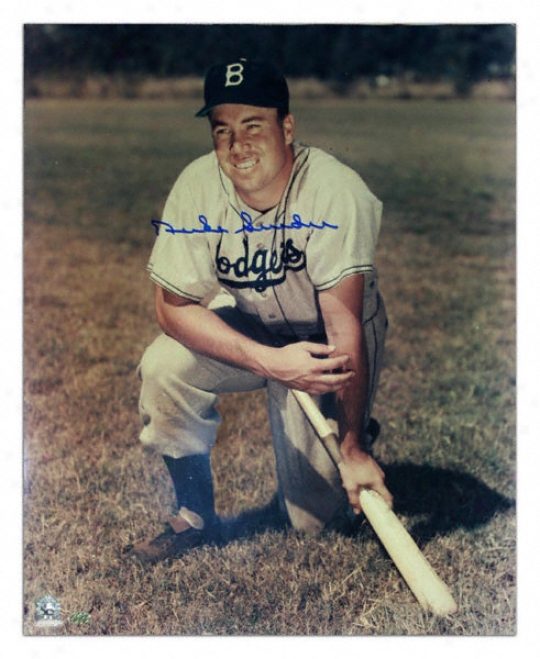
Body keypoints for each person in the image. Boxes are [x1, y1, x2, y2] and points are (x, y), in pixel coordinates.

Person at [126, 59, 393, 564]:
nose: (236, 145)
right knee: (164, 367)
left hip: (325, 338)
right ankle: (193, 516)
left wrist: (353, 449)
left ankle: (353, 429)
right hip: (251, 318)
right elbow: (172, 308)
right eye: (222, 130)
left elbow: (343, 327)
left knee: (317, 523)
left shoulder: (336, 191)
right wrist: (268, 362)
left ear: (287, 127)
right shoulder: (198, 185)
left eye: (253, 125)